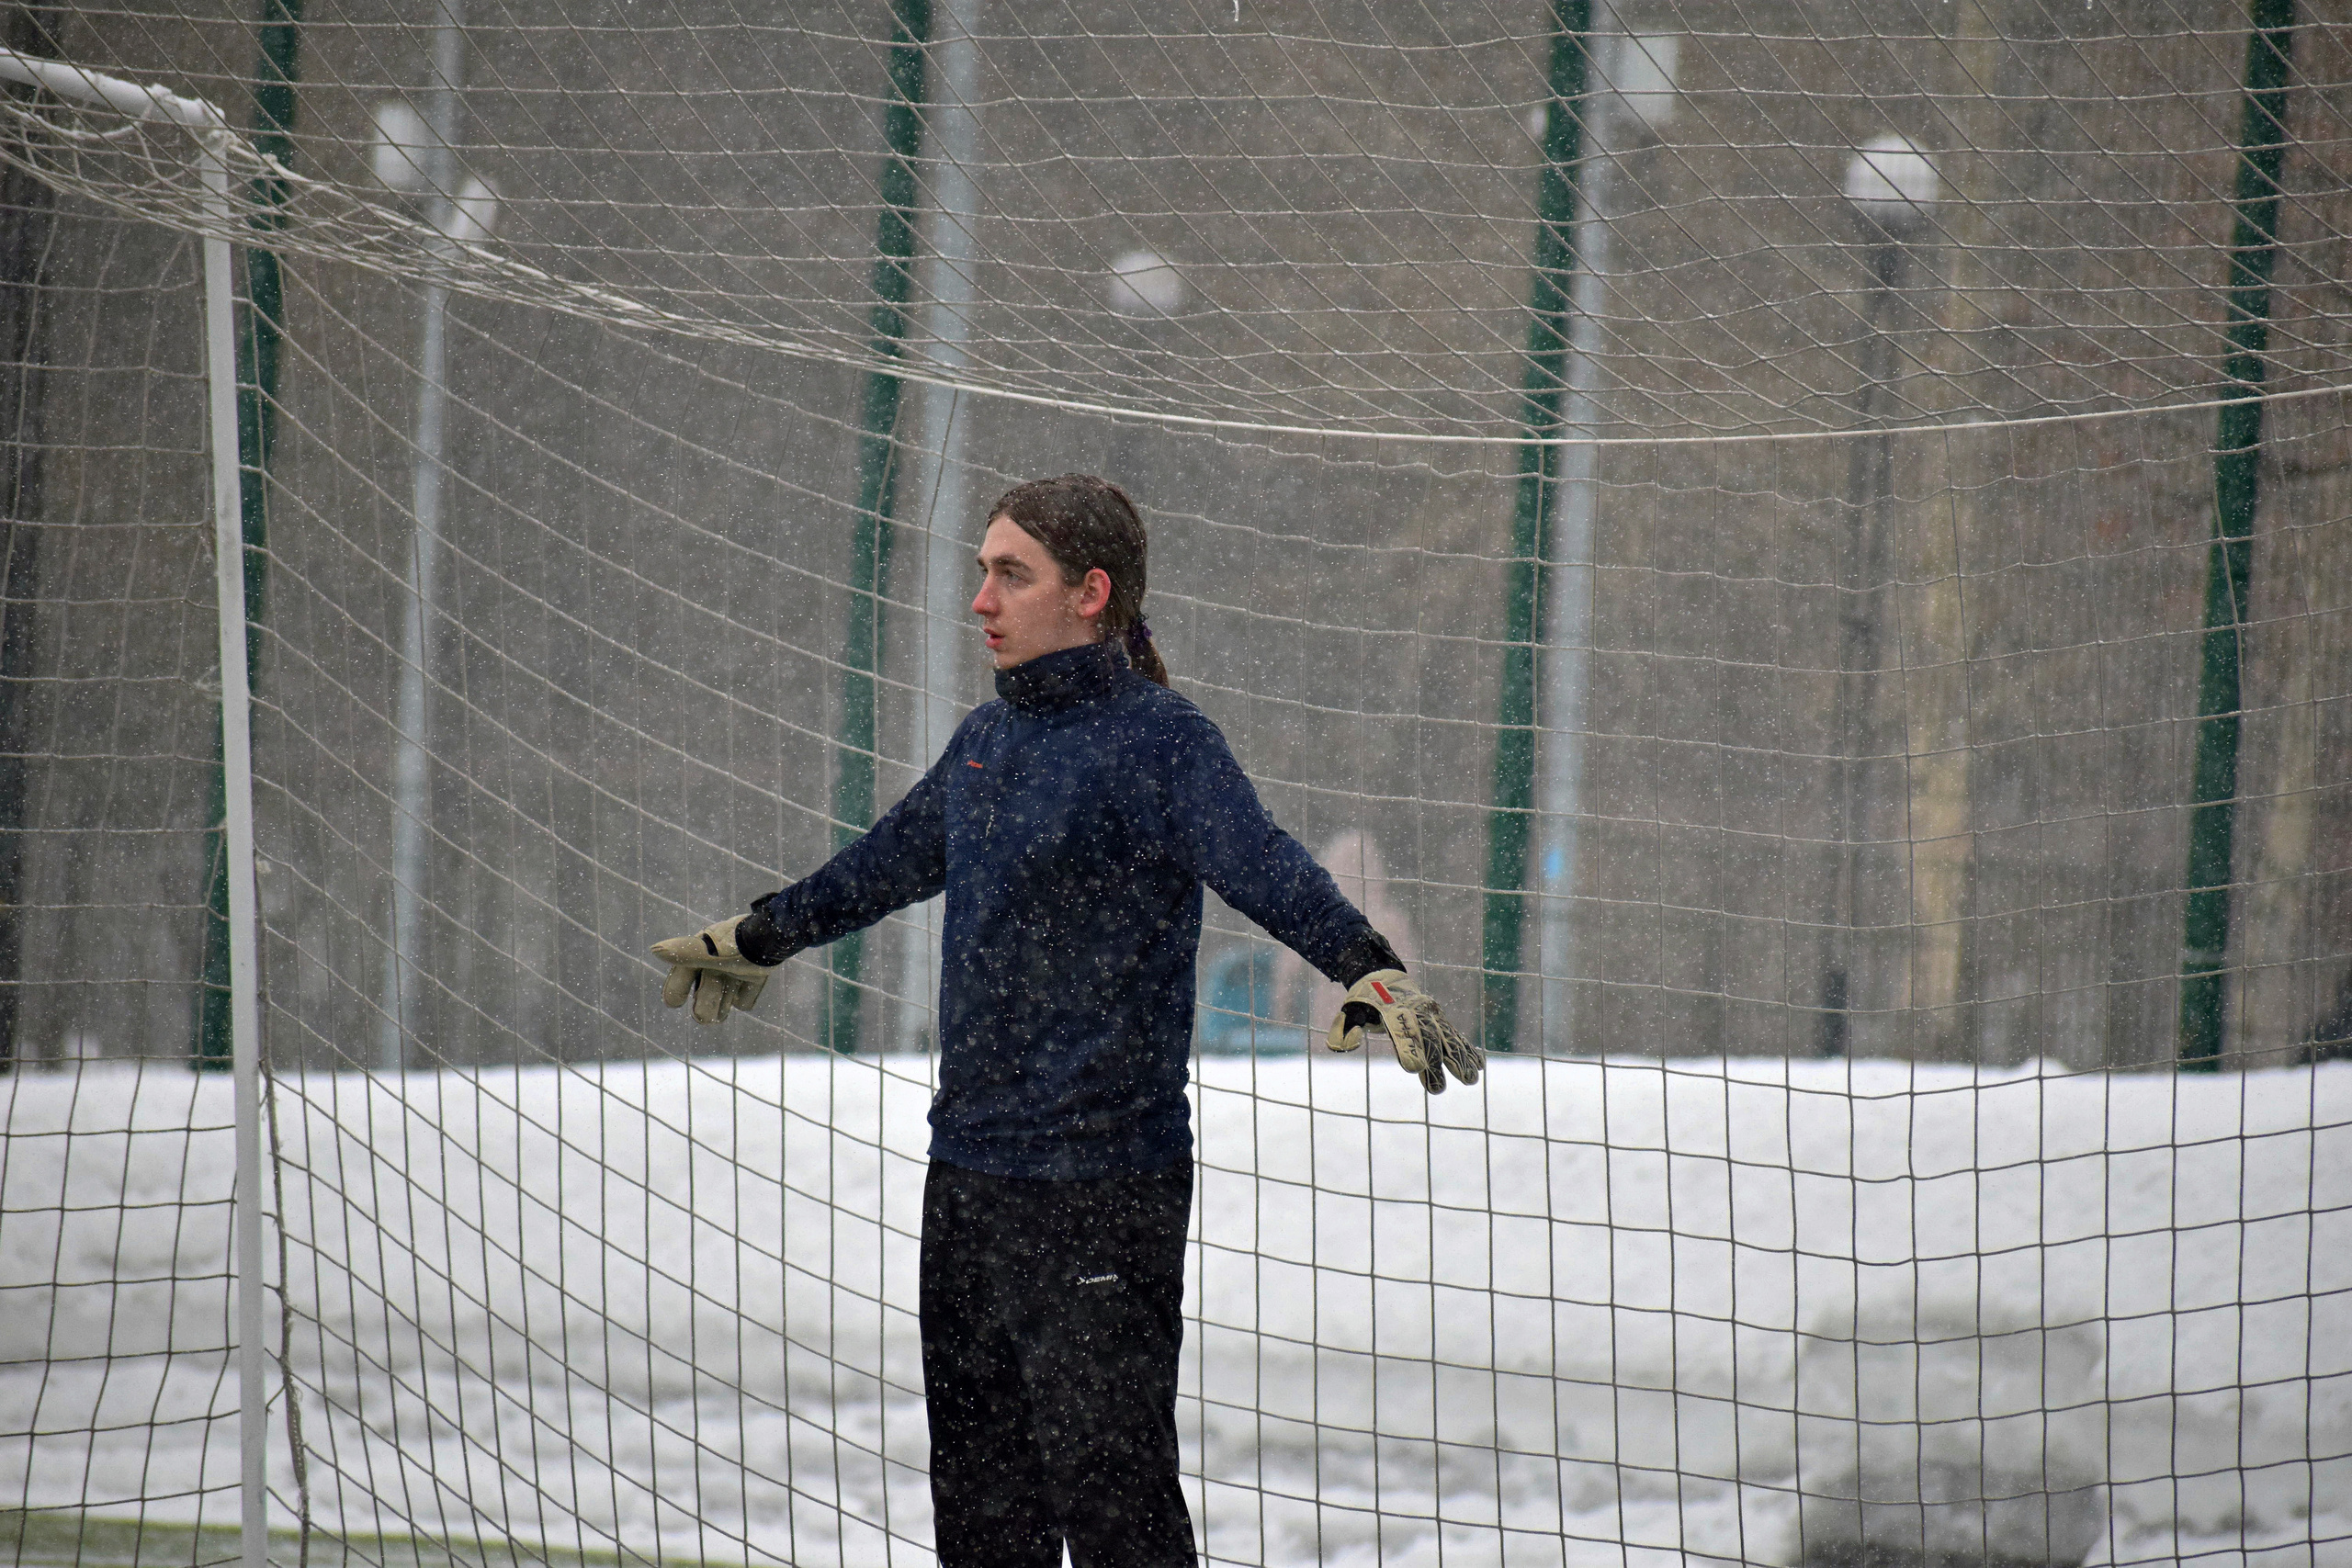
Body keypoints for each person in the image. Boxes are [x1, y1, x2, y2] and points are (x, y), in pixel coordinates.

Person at [652, 473, 1480, 1568]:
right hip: (971, 1179)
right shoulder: (987, 741)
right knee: (983, 1515)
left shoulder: (1158, 739)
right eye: (981, 571)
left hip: (1101, 1188)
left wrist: (1365, 968)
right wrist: (760, 936)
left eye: (1011, 573)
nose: (982, 598)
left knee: (1115, 1511)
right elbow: (883, 865)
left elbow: (1264, 864)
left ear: (1090, 592)